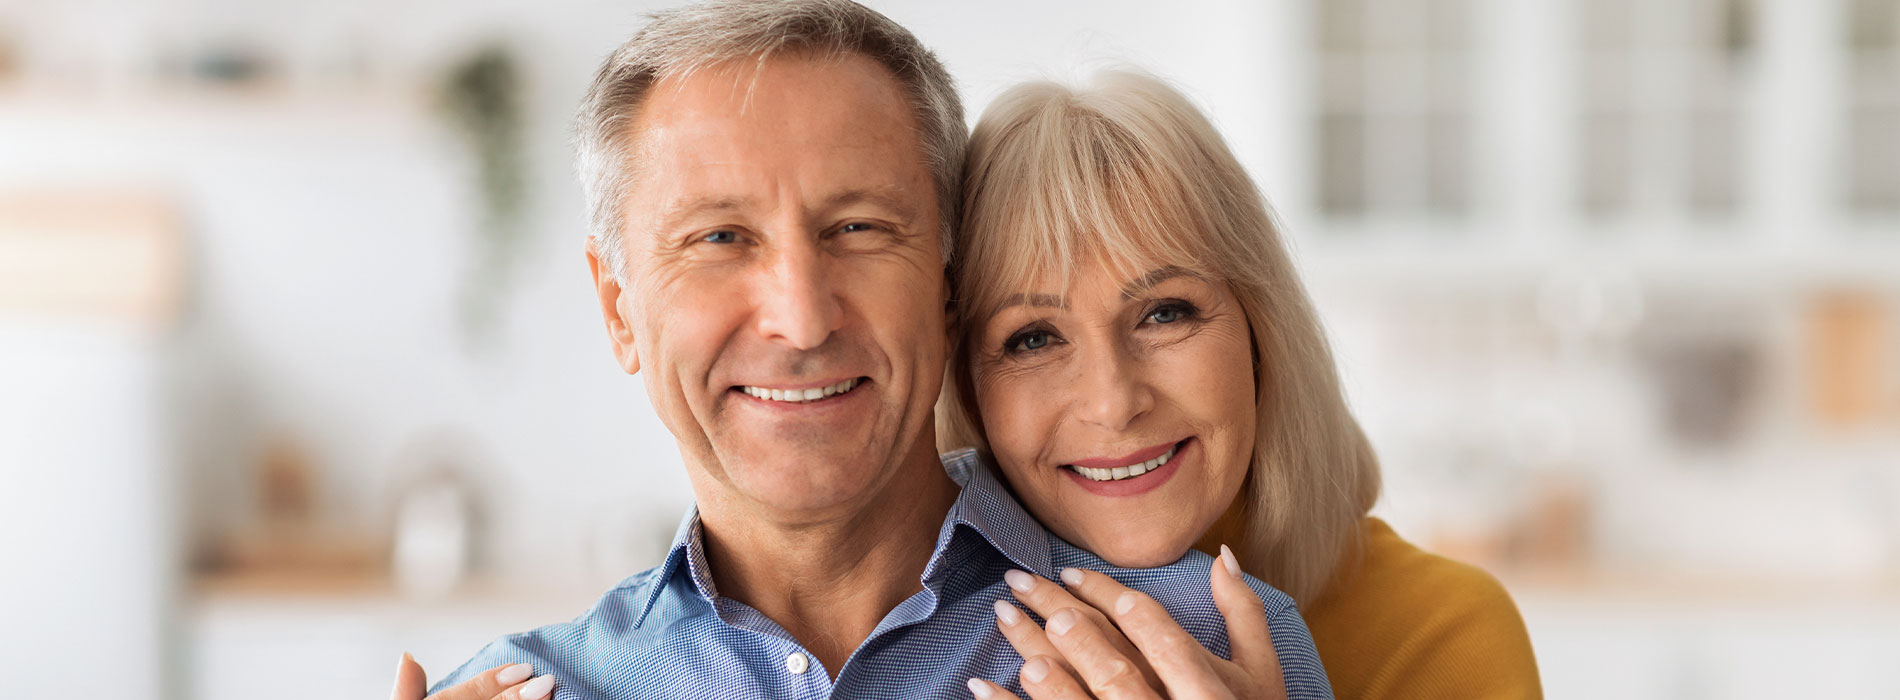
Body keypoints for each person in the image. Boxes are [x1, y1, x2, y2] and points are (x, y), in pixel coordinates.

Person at [391, 3, 1333, 700]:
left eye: (859, 227)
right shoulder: (523, 689)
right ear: (619, 312)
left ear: (948, 283)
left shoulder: (1202, 648)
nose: (802, 321)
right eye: (720, 238)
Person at [938, 71, 1543, 699]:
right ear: (968, 388)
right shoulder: (906, 638)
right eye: (1033, 338)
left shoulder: (1440, 633)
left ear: (1261, 334)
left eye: (1165, 313)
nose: (1113, 404)